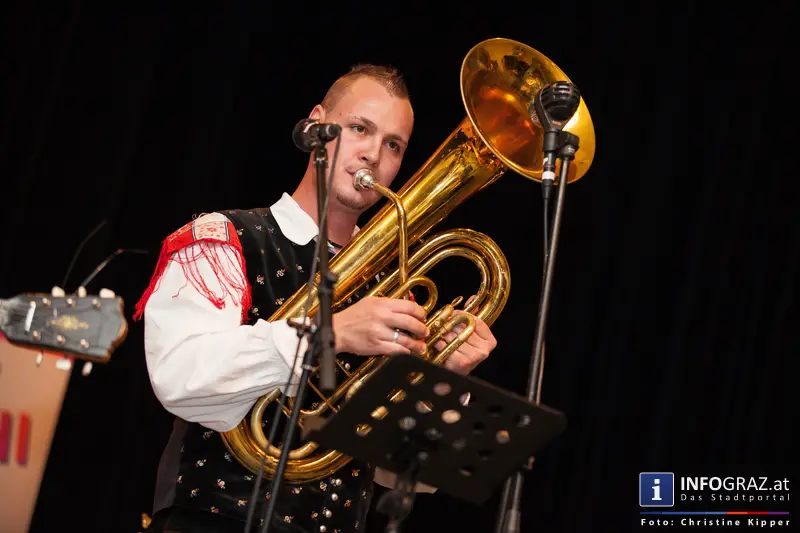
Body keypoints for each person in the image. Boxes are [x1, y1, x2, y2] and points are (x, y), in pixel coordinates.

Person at [134, 64, 498, 533]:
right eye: (359, 129)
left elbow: (403, 474)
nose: (372, 154)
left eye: (393, 145)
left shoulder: (393, 286)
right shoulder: (225, 237)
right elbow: (179, 375)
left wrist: (443, 380)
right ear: (316, 125)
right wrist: (328, 335)